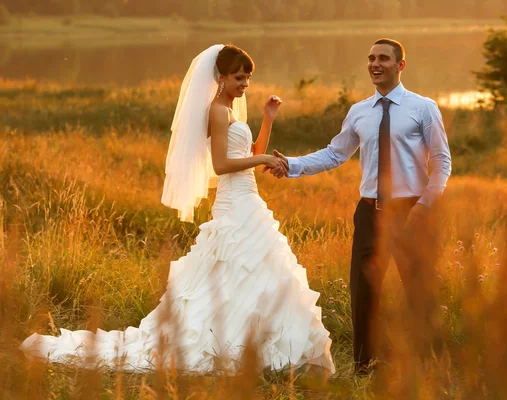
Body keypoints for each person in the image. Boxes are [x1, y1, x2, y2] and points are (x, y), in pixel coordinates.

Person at [20, 44, 335, 375]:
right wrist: (264, 159)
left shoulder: (230, 111)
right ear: (221, 77)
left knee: (257, 270)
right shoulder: (216, 110)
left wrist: (268, 120)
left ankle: (256, 341)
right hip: (234, 201)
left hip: (247, 198)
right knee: (241, 266)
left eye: (248, 78)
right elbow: (222, 164)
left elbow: (251, 153)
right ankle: (232, 342)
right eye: (239, 78)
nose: (245, 85)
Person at [268, 38, 451, 373]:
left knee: (419, 291)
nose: (375, 64)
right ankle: (365, 364)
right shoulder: (359, 112)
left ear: (400, 65)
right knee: (364, 291)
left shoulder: (423, 108)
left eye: (383, 58)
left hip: (411, 210)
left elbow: (441, 162)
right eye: (370, 58)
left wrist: (425, 207)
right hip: (369, 213)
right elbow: (335, 153)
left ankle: (430, 363)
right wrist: (291, 164)